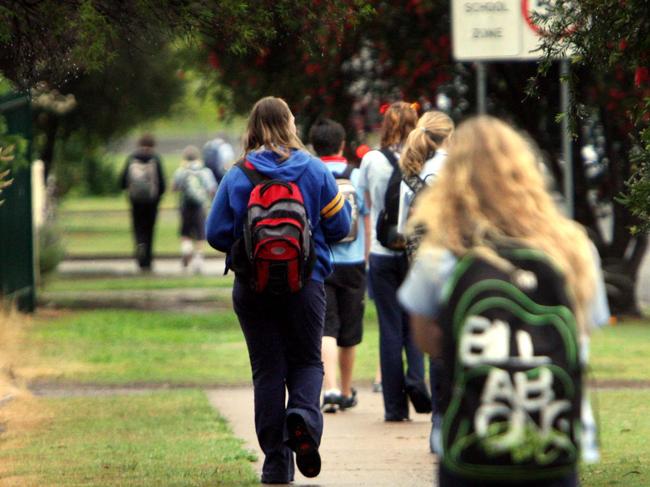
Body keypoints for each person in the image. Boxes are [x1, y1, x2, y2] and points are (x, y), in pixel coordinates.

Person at [398, 115, 609, 487]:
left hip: (474, 438)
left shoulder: (443, 252)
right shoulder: (574, 247)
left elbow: (427, 339)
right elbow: (583, 329)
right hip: (552, 436)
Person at [206, 96, 351, 483]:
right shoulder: (315, 170)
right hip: (306, 285)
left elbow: (215, 233)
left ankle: (275, 464)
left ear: (251, 127)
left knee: (268, 371)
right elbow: (341, 227)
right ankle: (302, 417)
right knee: (306, 362)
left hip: (252, 289)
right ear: (290, 124)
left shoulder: (239, 174)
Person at [357, 101, 431, 422]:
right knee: (414, 322)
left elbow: (363, 203)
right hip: (416, 254)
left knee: (389, 328)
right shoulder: (424, 159)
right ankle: (416, 379)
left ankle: (393, 407)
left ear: (385, 125)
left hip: (382, 253)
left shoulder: (371, 160)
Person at [398, 110, 454, 453]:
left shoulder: (417, 175)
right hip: (466, 266)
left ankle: (440, 423)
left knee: (437, 347)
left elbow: (407, 230)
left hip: (429, 268)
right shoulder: (463, 170)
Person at [308, 118, 370, 413]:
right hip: (354, 261)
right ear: (342, 145)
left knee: (326, 328)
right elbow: (366, 218)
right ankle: (346, 390)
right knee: (350, 330)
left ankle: (329, 388)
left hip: (322, 262)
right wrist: (366, 256)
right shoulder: (356, 176)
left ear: (313, 147)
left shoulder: (311, 174)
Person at [120, 133, 166, 272]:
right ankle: (148, 260)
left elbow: (122, 181)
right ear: (153, 144)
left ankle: (140, 248)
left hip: (135, 201)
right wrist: (158, 196)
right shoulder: (155, 159)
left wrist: (129, 191)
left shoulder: (131, 158)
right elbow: (162, 183)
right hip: (152, 201)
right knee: (150, 229)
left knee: (138, 227)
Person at [172, 145, 217, 273]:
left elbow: (174, 187)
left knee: (185, 232)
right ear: (198, 157)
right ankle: (198, 260)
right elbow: (212, 189)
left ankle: (186, 249)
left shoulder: (181, 170)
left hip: (185, 205)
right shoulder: (205, 171)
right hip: (200, 206)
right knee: (200, 233)